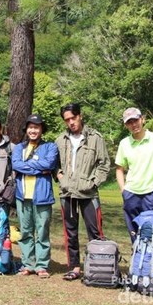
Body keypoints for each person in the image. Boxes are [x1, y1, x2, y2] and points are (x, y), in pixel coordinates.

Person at [55, 103, 110, 281]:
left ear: (80, 116)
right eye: (67, 120)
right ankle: (74, 267)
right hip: (67, 193)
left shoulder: (95, 138)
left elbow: (104, 164)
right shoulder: (60, 140)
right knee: (70, 233)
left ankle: (97, 267)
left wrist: (94, 183)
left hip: (88, 193)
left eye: (73, 118)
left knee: (95, 232)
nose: (71, 122)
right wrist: (59, 177)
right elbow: (54, 164)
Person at [115, 107, 153, 242]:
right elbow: (119, 169)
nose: (133, 124)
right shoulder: (124, 143)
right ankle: (138, 262)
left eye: (135, 120)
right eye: (129, 122)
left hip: (152, 194)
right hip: (131, 195)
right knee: (135, 236)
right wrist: (123, 190)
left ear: (142, 119)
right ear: (126, 125)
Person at [12, 114, 58, 278]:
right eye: (30, 127)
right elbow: (16, 164)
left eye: (36, 127)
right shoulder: (19, 148)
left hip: (42, 196)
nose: (33, 130)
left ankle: (41, 265)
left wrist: (26, 166)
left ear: (41, 129)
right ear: (26, 129)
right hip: (23, 196)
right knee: (25, 232)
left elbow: (49, 164)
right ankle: (27, 264)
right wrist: (38, 168)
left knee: (42, 231)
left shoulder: (50, 147)